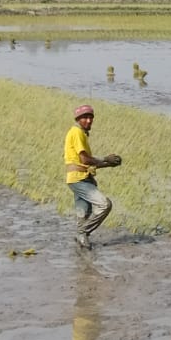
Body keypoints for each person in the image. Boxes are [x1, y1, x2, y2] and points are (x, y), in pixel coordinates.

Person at [64, 105, 122, 250]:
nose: (89, 121)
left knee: (83, 214)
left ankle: (81, 249)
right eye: (85, 118)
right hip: (78, 179)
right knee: (104, 204)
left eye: (91, 118)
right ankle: (82, 233)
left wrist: (108, 164)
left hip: (82, 177)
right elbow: (85, 160)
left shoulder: (80, 134)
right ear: (78, 119)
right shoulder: (76, 132)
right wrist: (105, 159)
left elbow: (86, 162)